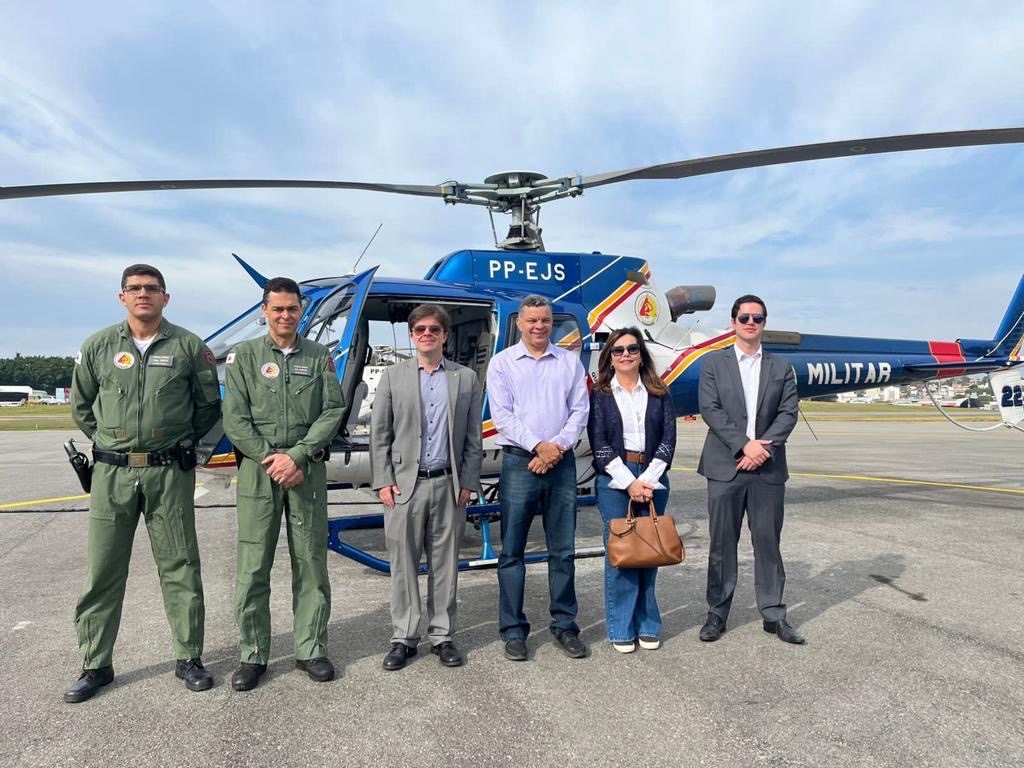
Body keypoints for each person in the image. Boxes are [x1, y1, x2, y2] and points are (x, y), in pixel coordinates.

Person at [64, 264, 221, 703]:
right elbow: (82, 405)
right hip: (111, 474)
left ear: (165, 298)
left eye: (152, 289)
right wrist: (110, 440)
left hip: (168, 473)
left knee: (181, 565)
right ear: (122, 298)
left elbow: (208, 406)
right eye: (134, 289)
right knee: (103, 570)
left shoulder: (190, 346)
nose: (143, 295)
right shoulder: (97, 347)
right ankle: (96, 664)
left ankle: (189, 658)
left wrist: (176, 441)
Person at [222, 276, 345, 690]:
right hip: (259, 473)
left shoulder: (319, 356)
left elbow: (332, 411)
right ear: (264, 311)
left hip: (305, 469)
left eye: (293, 308)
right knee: (253, 566)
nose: (285, 315)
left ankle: (311, 648)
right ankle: (253, 654)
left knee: (310, 562)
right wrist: (270, 457)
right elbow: (235, 419)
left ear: (301, 311)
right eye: (277, 308)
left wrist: (298, 455)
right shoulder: (245, 357)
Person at [370, 304, 483, 671]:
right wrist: (383, 480)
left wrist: (468, 480)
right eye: (420, 329)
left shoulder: (465, 378)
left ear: (445, 335)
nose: (427, 334)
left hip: (448, 484)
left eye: (434, 329)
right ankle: (404, 637)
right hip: (405, 487)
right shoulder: (392, 377)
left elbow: (472, 438)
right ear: (412, 334)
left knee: (445, 563)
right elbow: (380, 435)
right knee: (403, 565)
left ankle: (443, 635)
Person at [486, 295, 590, 661]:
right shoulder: (501, 365)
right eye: (531, 320)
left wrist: (555, 449)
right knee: (512, 551)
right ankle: (513, 630)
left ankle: (565, 625)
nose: (538, 326)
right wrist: (538, 448)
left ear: (552, 322)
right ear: (519, 323)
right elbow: (503, 418)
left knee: (562, 550)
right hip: (519, 463)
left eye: (545, 320)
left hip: (560, 464)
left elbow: (580, 411)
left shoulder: (569, 363)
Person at [697, 295, 804, 645]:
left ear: (764, 323)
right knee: (722, 545)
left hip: (767, 469)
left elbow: (788, 413)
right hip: (725, 466)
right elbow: (710, 409)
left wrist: (761, 449)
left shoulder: (781, 367)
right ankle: (717, 614)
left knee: (768, 543)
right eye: (744, 317)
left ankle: (774, 614)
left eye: (758, 317)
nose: (751, 322)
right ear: (733, 322)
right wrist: (745, 445)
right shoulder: (713, 363)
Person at [587, 328, 676, 653]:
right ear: (609, 356)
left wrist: (649, 479)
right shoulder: (601, 394)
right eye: (619, 350)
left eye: (632, 349)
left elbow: (668, 438)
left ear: (642, 354)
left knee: (650, 553)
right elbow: (599, 443)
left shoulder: (659, 391)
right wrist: (629, 482)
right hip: (615, 479)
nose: (626, 355)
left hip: (653, 476)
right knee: (622, 557)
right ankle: (621, 629)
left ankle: (648, 624)